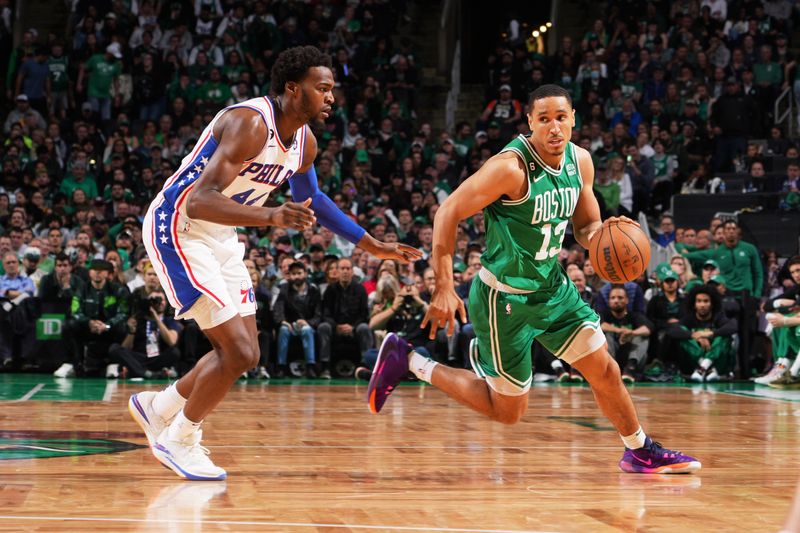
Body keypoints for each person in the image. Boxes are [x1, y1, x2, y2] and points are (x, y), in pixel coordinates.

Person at [367, 84, 700, 474]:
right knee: (507, 412)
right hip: (504, 300)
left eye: (561, 117)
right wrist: (443, 284)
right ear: (530, 123)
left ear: (573, 119)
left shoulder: (581, 162)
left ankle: (639, 449)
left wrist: (607, 235)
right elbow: (447, 212)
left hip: (553, 289)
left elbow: (586, 226)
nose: (554, 127)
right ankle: (408, 360)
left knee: (604, 368)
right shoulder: (510, 168)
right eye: (544, 119)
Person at [128, 46, 421, 481]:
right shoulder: (250, 123)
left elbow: (315, 200)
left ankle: (160, 406)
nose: (330, 97)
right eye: (321, 88)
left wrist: (372, 245)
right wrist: (270, 216)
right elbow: (200, 199)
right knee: (238, 351)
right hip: (181, 227)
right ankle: (178, 439)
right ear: (291, 88)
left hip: (222, 234)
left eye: (332, 90)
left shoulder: (305, 143)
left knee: (246, 354)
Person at [601, 285, 653, 384]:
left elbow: (648, 328)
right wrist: (619, 330)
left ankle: (630, 367)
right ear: (609, 301)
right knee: (605, 334)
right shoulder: (605, 315)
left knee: (642, 336)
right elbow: (599, 325)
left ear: (627, 300)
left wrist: (631, 333)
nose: (616, 301)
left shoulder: (634, 315)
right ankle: (610, 369)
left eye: (620, 298)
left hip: (631, 356)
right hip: (612, 355)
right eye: (613, 298)